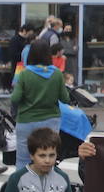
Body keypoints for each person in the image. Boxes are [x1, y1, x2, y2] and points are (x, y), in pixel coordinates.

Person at [10, 39, 70, 169]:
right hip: (51, 121)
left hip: (26, 121)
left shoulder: (24, 73)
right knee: (48, 159)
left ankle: (23, 188)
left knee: (23, 160)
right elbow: (65, 99)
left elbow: (15, 98)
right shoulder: (57, 74)